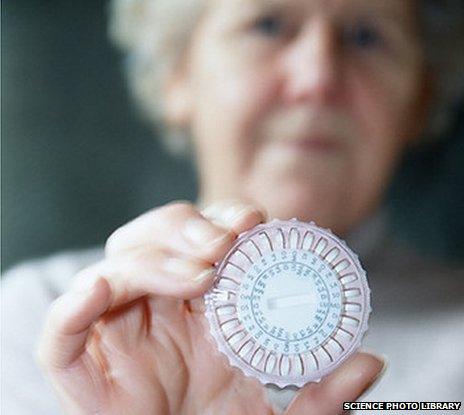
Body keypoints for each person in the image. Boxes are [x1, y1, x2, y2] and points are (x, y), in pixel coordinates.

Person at [2, 0, 464, 413]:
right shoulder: (53, 323)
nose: (317, 78)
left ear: (418, 98)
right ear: (176, 73)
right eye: (266, 24)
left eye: (368, 36)